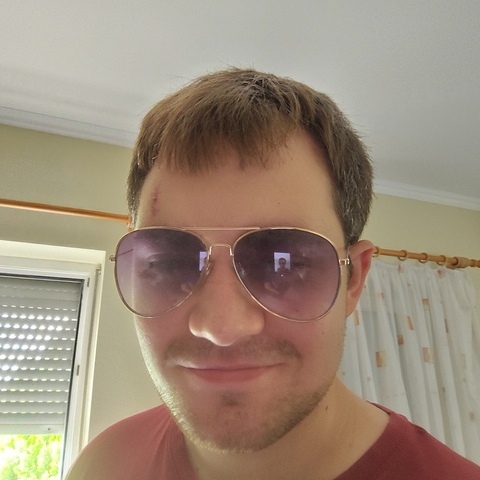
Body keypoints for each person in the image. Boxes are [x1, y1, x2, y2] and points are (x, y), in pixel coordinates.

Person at [66, 68, 480, 479]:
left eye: (286, 264)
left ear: (353, 280)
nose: (222, 327)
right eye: (169, 263)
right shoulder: (103, 466)